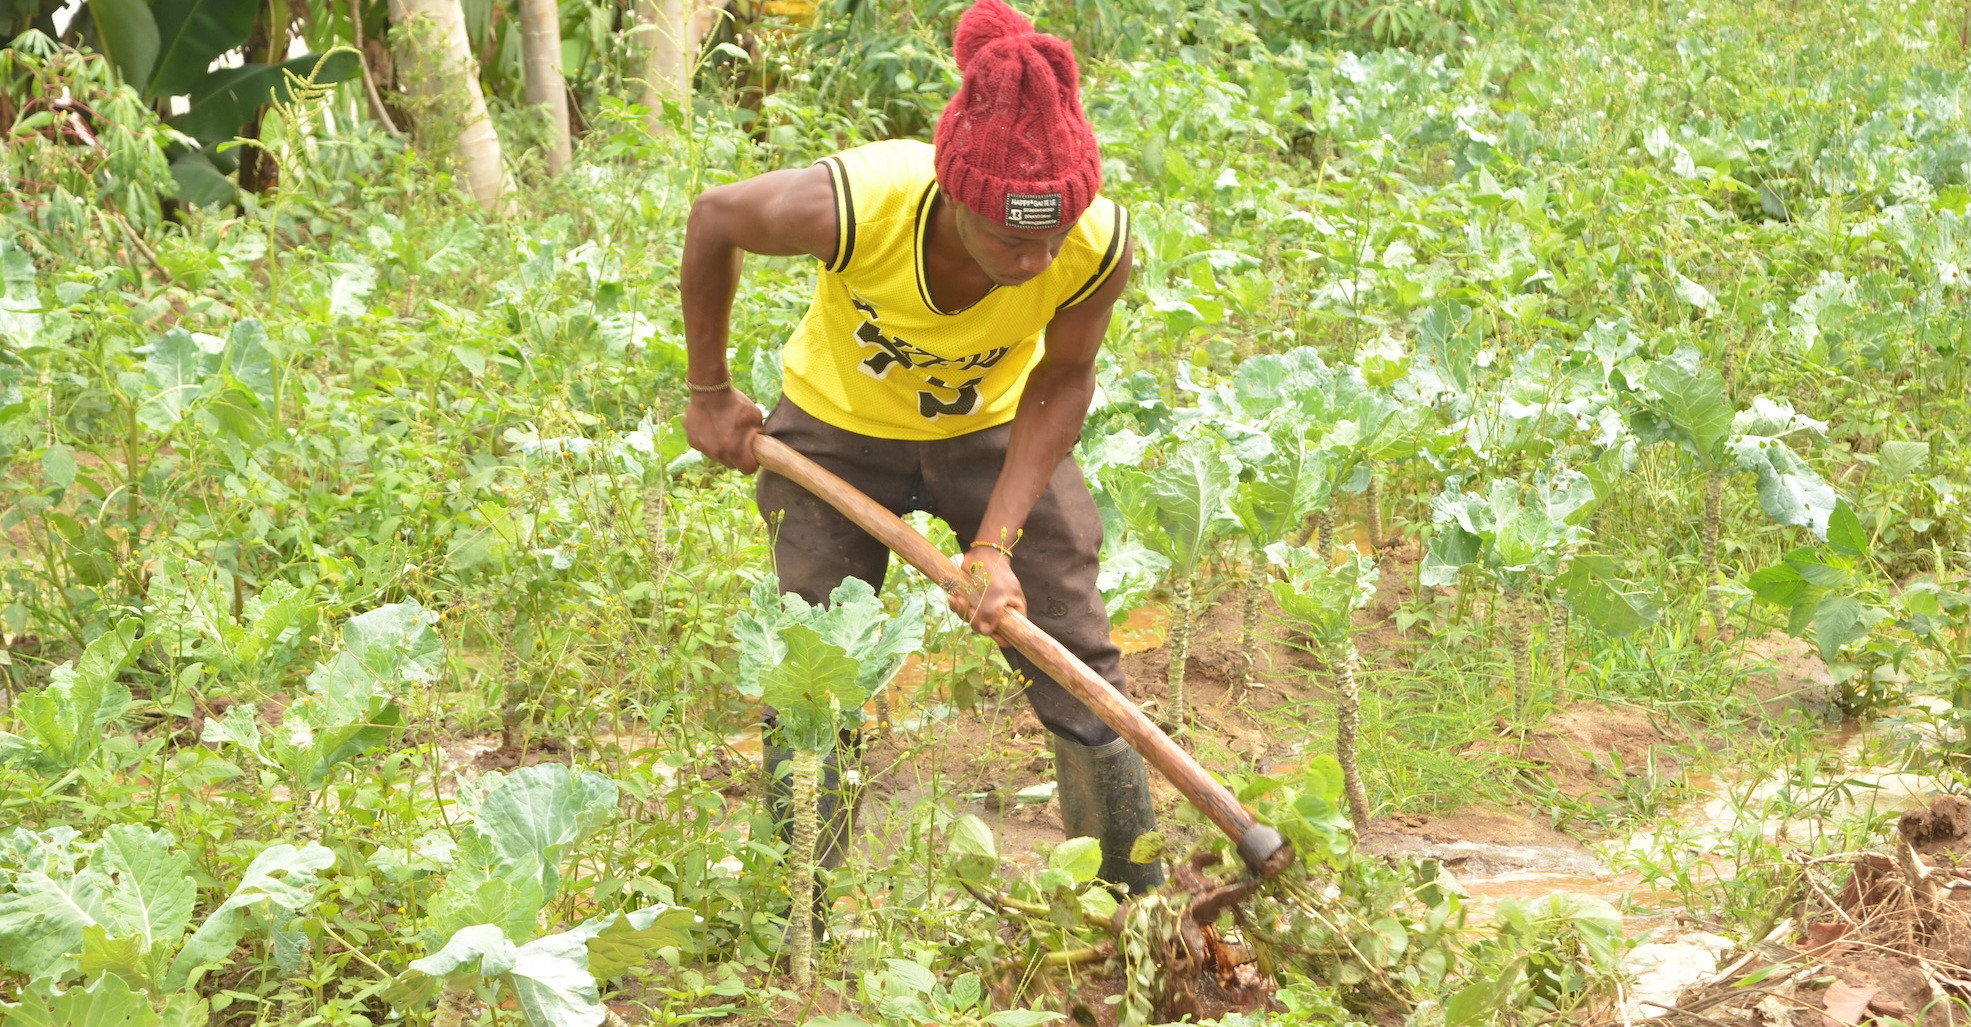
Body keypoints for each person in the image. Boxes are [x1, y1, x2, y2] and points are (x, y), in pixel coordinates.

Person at [679, 0, 1163, 928]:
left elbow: (1063, 378)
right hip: (832, 432)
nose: (1036, 259)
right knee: (814, 661)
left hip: (988, 435)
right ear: (955, 195)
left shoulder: (1093, 241)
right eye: (1010, 238)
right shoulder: (859, 203)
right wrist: (710, 392)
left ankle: (1130, 904)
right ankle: (798, 912)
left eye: (1052, 236)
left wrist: (998, 541)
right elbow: (713, 219)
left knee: (1073, 635)